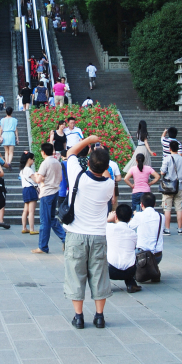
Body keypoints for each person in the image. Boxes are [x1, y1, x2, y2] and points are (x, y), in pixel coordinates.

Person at [63, 136, 115, 329]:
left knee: (76, 275)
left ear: (89, 162)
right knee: (99, 275)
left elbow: (70, 153)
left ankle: (78, 317)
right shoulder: (109, 185)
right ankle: (99, 316)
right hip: (99, 235)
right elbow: (107, 176)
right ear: (106, 167)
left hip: (76, 234)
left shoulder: (77, 175)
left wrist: (88, 140)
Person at [31, 143, 66, 255]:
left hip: (46, 193)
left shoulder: (45, 163)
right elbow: (60, 178)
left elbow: (38, 180)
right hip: (55, 191)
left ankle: (43, 246)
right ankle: (65, 238)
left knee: (44, 221)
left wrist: (36, 176)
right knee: (51, 219)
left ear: (43, 152)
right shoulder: (57, 162)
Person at [106, 204, 139, 292]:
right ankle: (131, 284)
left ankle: (104, 285)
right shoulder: (133, 234)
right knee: (129, 254)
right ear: (129, 219)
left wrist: (108, 219)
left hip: (111, 271)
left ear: (115, 216)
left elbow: (96, 226)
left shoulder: (109, 228)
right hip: (130, 271)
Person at [160, 140, 182, 234]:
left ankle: (167, 229)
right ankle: (180, 229)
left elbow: (162, 172)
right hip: (179, 186)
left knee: (167, 209)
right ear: (178, 148)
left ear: (169, 148)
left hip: (168, 187)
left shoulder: (167, 159)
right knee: (179, 208)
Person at [129, 192, 164, 274]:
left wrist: (135, 215)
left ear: (141, 204)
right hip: (157, 255)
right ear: (154, 204)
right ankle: (153, 268)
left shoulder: (139, 216)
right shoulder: (161, 216)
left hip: (141, 256)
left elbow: (129, 227)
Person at [19, 151, 38, 234]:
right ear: (29, 159)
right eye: (33, 159)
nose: (33, 161)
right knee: (31, 211)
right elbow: (36, 180)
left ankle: (24, 227)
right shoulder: (29, 170)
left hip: (25, 190)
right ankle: (32, 229)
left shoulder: (22, 170)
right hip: (31, 189)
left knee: (25, 210)